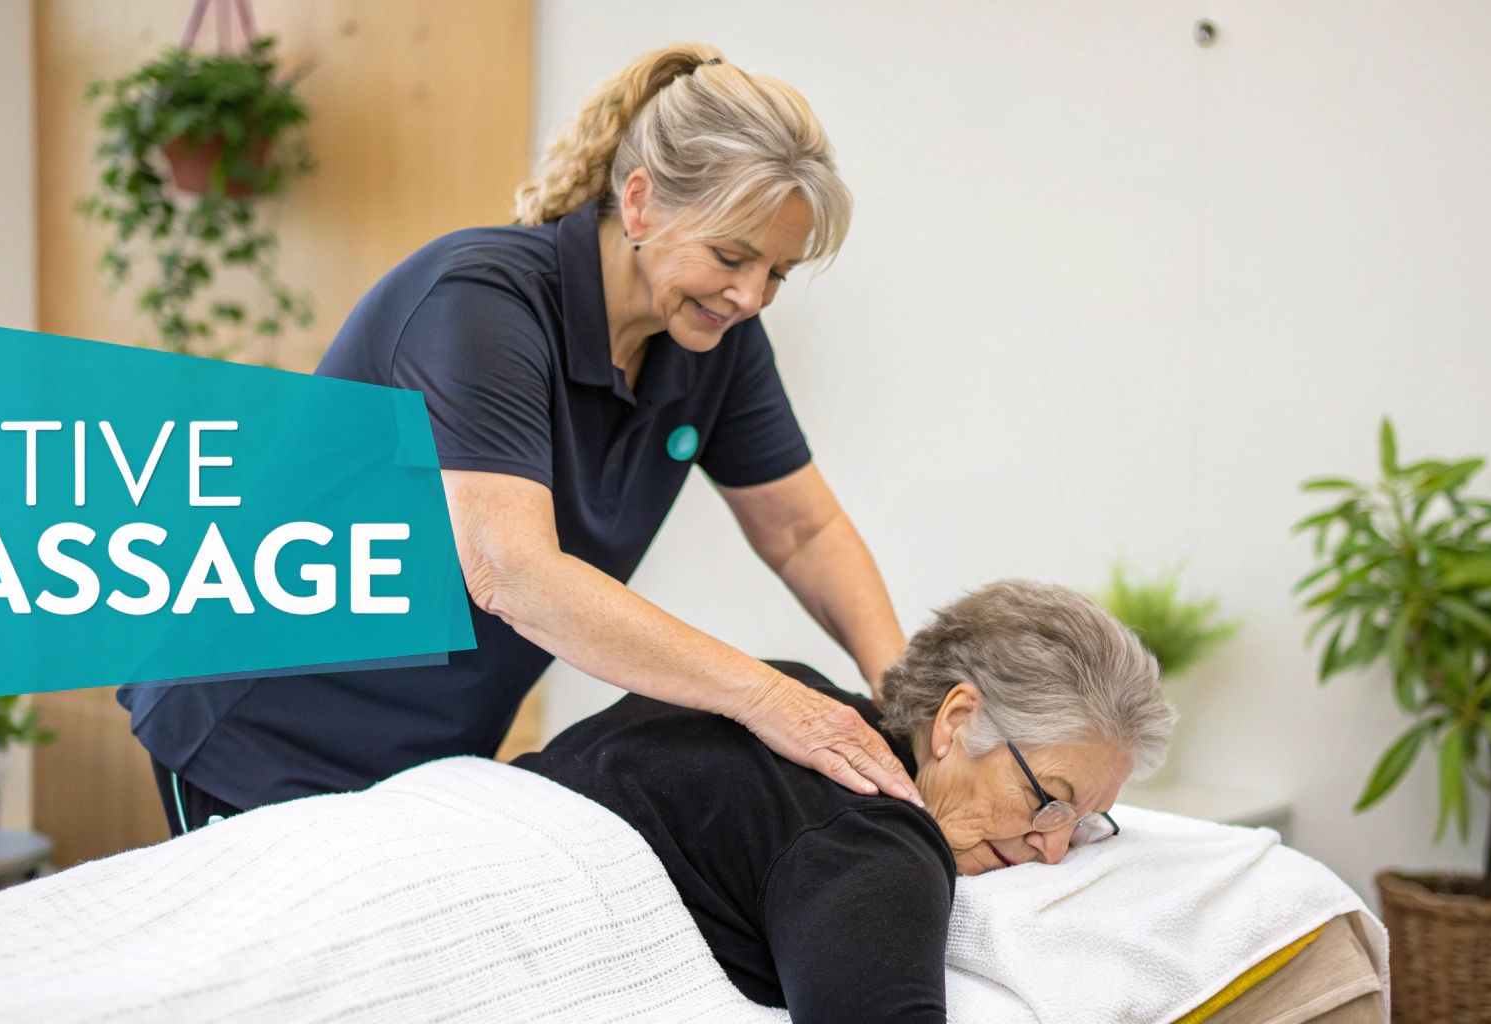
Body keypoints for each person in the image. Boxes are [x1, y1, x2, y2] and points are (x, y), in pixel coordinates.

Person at [119, 42, 919, 835]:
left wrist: (908, 704)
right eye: (731, 256)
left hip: (424, 753)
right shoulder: (479, 303)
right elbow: (512, 572)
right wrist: (769, 699)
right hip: (262, 718)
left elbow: (801, 529)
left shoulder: (715, 342)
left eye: (778, 273)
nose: (750, 296)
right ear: (639, 203)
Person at [515, 578, 1177, 1021]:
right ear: (955, 721)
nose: (1054, 848)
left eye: (1083, 824)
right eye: (1048, 800)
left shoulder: (797, 690)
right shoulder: (875, 842)